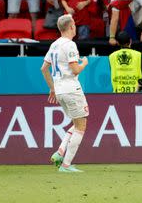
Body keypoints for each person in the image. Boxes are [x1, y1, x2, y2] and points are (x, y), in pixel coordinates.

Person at [40, 14, 89, 173]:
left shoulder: (54, 45)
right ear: (71, 27)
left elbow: (44, 68)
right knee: (81, 126)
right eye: (74, 24)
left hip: (60, 90)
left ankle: (60, 152)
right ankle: (66, 165)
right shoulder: (70, 45)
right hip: (71, 89)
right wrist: (84, 64)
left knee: (76, 124)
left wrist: (53, 88)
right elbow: (75, 70)